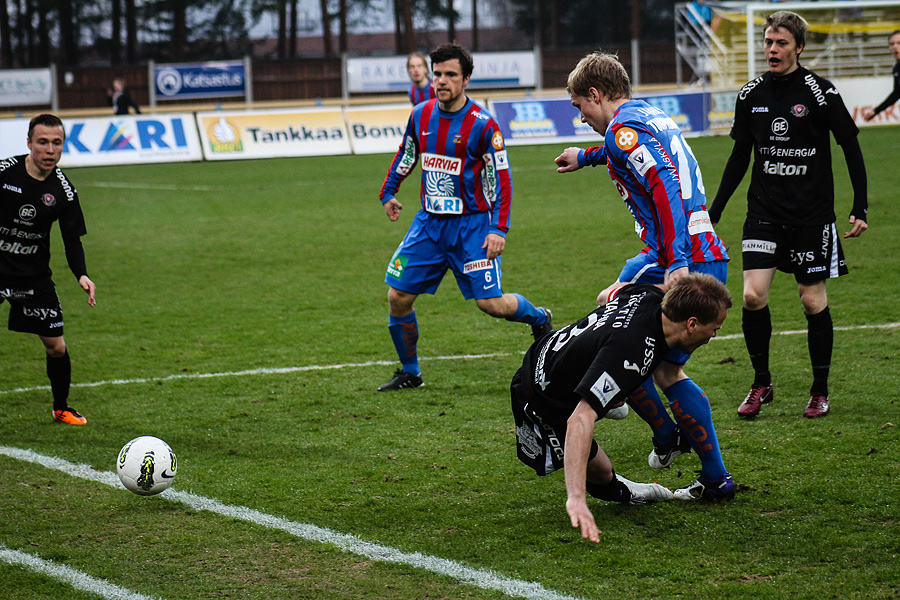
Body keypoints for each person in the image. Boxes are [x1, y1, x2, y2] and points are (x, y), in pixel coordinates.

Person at [554, 52, 734, 499]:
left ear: (596, 95)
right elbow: (632, 151)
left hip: (682, 254)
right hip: (683, 248)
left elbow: (665, 185)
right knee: (612, 316)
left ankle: (683, 452)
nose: (580, 117)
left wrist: (675, 262)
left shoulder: (622, 129)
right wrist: (588, 157)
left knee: (640, 355)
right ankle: (680, 448)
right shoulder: (642, 115)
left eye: (579, 107)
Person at [708, 10, 868, 419]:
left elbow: (850, 146)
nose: (772, 50)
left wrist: (859, 205)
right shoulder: (751, 95)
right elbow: (740, 156)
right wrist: (715, 210)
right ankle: (761, 382)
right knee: (751, 295)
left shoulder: (820, 92)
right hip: (763, 212)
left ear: (799, 46)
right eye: (767, 42)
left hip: (811, 217)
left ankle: (819, 390)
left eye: (780, 43)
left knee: (812, 300)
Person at [377, 43, 551, 391]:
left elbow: (501, 179)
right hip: (428, 225)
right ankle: (410, 372)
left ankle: (540, 317)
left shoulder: (483, 126)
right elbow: (407, 154)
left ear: (466, 79)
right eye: (438, 73)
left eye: (450, 75)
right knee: (397, 297)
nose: (442, 81)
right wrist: (389, 191)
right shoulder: (420, 115)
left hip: (471, 228)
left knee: (492, 305)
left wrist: (498, 228)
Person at [511, 274, 733, 543]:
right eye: (715, 328)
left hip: (553, 354)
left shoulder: (650, 295)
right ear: (692, 323)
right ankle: (628, 491)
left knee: (625, 382)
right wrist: (577, 497)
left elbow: (607, 295)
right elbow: (579, 419)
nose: (713, 336)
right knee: (601, 475)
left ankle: (612, 401)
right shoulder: (631, 351)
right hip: (540, 396)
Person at [0, 114, 97, 425]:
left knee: (56, 346)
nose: (49, 150)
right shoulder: (3, 174)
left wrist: (81, 274)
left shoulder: (64, 190)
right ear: (29, 143)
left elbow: (72, 239)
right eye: (42, 142)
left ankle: (61, 408)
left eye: (57, 143)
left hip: (32, 275)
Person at [863, 30, 900, 122]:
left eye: (899, 43)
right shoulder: (897, 67)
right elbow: (897, 93)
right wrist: (876, 111)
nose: (895, 46)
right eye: (892, 44)